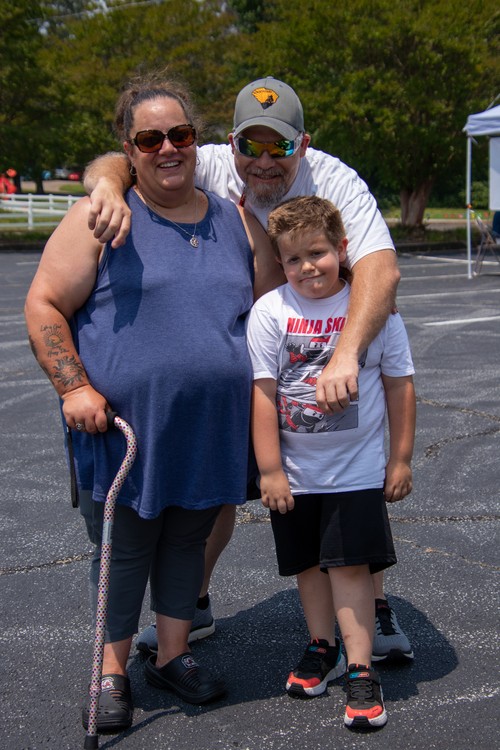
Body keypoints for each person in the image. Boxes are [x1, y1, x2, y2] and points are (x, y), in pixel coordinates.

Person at [82, 76, 411, 662]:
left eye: (278, 146)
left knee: (348, 483)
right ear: (230, 142)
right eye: (250, 145)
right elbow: (122, 158)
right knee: (217, 494)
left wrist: (346, 356)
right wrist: (107, 184)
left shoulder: (334, 180)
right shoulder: (202, 159)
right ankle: (194, 603)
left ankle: (376, 607)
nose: (262, 161)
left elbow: (381, 272)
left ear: (302, 144)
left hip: (327, 348)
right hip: (258, 353)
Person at [24, 72, 283, 734]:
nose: (168, 148)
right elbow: (44, 303)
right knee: (124, 548)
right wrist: (73, 386)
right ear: (129, 149)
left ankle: (172, 655)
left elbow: (271, 305)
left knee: (187, 541)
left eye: (180, 134)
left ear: (196, 140)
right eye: (149, 139)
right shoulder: (102, 218)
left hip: (209, 428)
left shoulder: (235, 220)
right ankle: (110, 673)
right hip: (122, 430)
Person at [247, 195, 416, 728]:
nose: (307, 267)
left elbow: (399, 385)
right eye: (293, 259)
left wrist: (400, 459)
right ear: (279, 262)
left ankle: (362, 669)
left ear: (342, 249)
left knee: (350, 567)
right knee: (307, 567)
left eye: (317, 252)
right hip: (296, 475)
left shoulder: (372, 311)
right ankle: (323, 646)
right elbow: (263, 394)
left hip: (355, 470)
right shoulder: (271, 312)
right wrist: (270, 470)